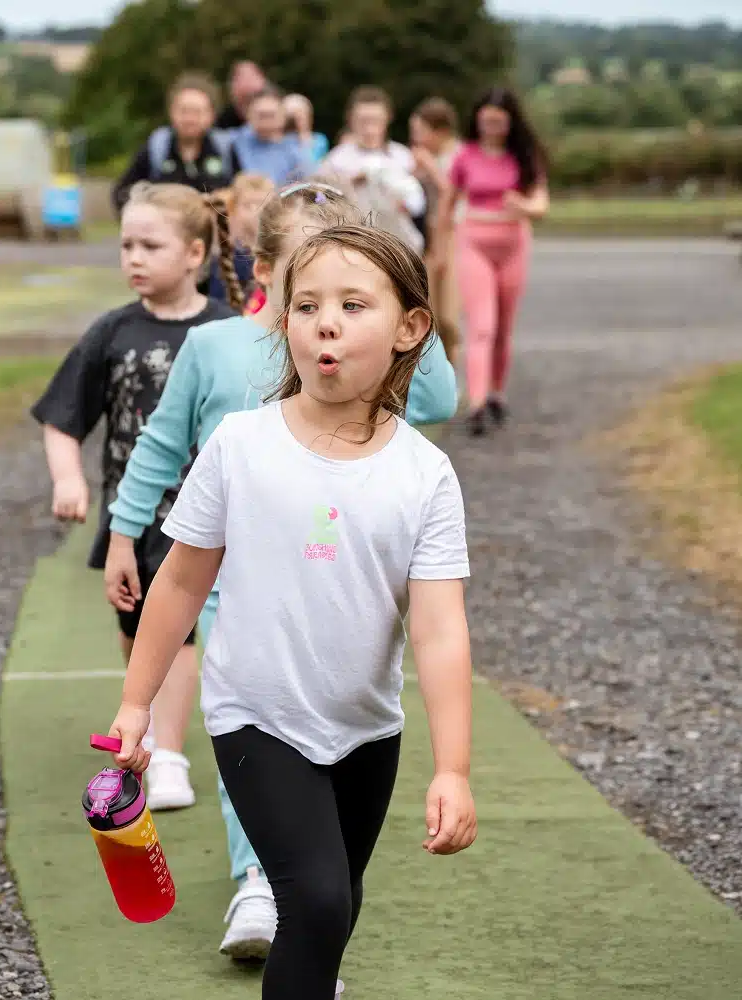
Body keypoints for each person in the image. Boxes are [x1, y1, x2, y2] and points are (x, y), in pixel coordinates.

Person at [105, 222, 477, 1000]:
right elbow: (177, 584)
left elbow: (440, 630)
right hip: (255, 716)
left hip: (368, 727)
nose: (326, 322)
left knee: (337, 901)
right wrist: (137, 703)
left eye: (352, 304)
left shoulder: (425, 474)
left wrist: (452, 768)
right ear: (282, 322)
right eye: (305, 305)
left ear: (411, 327)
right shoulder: (241, 446)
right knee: (313, 898)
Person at [31, 182, 239, 810]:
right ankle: (146, 724)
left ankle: (169, 756)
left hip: (213, 523)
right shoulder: (112, 333)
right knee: (142, 640)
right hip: (137, 521)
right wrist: (68, 479)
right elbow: (63, 417)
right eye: (126, 245)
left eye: (151, 245)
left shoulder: (230, 333)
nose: (134, 258)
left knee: (182, 637)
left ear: (195, 252)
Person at [433, 87, 550, 437]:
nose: (492, 128)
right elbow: (446, 206)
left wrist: (524, 207)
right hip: (474, 242)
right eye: (486, 121)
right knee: (482, 325)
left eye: (498, 122)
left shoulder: (525, 158)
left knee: (502, 327)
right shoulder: (465, 156)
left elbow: (541, 204)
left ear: (511, 123)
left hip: (513, 243)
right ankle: (478, 401)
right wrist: (440, 250)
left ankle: (497, 391)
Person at [112, 73, 241, 213]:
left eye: (197, 112)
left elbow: (243, 196)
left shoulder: (224, 148)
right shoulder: (157, 147)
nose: (190, 119)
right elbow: (121, 193)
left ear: (212, 115)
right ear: (171, 112)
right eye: (184, 111)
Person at [322, 86, 428, 254]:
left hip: (400, 247)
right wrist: (350, 181)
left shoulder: (402, 156)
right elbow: (321, 200)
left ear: (388, 118)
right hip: (355, 247)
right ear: (351, 120)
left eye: (375, 120)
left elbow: (417, 201)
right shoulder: (336, 159)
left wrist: (407, 204)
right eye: (363, 120)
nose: (369, 127)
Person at [410, 97, 462, 368]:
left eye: (420, 132)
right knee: (431, 312)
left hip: (456, 237)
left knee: (450, 315)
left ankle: (451, 369)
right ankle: (437, 375)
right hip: (429, 238)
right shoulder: (424, 157)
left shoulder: (458, 156)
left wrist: (429, 167)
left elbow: (453, 194)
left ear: (439, 131)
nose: (415, 139)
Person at [207, 172, 275, 308]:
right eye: (248, 205)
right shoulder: (226, 254)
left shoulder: (278, 251)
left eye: (263, 204)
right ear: (233, 208)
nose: (257, 212)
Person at [232, 85, 310, 187]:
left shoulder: (296, 150)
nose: (266, 122)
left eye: (271, 115)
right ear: (249, 115)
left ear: (283, 116)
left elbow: (308, 185)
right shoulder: (235, 141)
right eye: (261, 115)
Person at [216, 60, 267, 131]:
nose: (248, 83)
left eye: (251, 77)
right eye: (242, 78)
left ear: (262, 81)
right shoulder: (223, 120)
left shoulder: (277, 113)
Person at [283, 93, 330, 165]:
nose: (295, 120)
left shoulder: (319, 140)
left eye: (300, 114)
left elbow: (312, 165)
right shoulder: (277, 141)